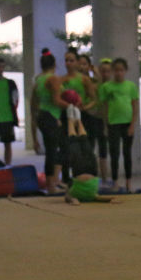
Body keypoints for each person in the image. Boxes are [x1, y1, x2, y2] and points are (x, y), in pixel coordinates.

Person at [61, 103, 121, 206]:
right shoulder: (93, 196)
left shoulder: (74, 195)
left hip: (78, 170)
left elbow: (68, 198)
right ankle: (78, 120)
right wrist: (112, 199)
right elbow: (103, 198)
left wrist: (73, 201)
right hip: (92, 170)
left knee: (73, 142)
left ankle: (71, 118)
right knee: (84, 142)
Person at [97, 57, 140, 193]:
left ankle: (128, 182)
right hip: (113, 123)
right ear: (112, 71)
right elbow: (104, 107)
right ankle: (115, 181)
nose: (118, 73)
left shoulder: (130, 86)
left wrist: (133, 124)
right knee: (114, 153)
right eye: (116, 70)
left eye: (121, 70)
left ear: (125, 71)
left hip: (127, 123)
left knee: (127, 153)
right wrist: (105, 125)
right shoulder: (106, 87)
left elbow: (135, 106)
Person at [31, 51, 67, 194]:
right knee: (53, 151)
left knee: (53, 149)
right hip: (51, 115)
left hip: (42, 115)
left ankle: (52, 182)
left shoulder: (38, 80)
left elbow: (33, 103)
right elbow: (56, 100)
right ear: (54, 65)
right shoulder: (53, 79)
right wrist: (73, 105)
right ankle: (51, 185)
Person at [59, 48, 98, 181]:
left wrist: (83, 108)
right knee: (66, 146)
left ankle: (87, 175)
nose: (68, 63)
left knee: (84, 145)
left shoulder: (84, 80)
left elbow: (93, 99)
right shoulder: (61, 80)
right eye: (66, 60)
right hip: (66, 115)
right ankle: (66, 178)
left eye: (71, 60)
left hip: (82, 116)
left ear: (76, 62)